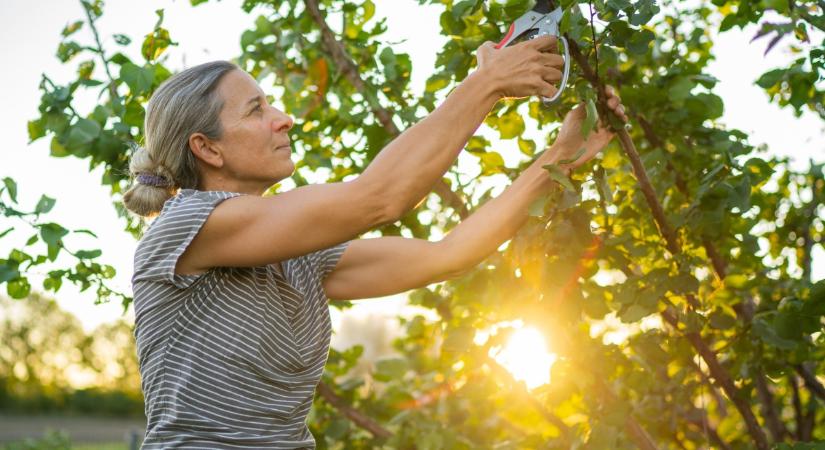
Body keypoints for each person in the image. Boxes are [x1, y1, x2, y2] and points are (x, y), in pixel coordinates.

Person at [124, 35, 626, 448]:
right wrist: (489, 83)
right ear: (207, 148)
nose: (283, 118)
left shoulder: (299, 255)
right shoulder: (188, 226)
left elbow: (449, 256)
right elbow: (382, 196)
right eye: (257, 110)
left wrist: (558, 162)